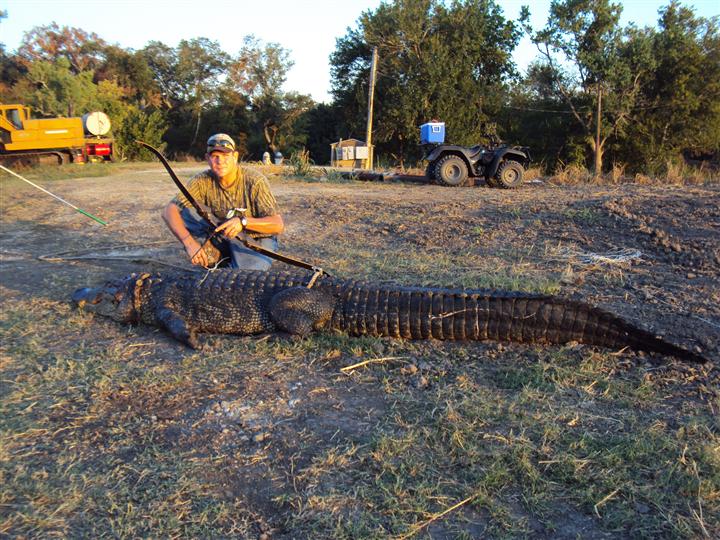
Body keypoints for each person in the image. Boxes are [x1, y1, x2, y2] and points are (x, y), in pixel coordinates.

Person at [162, 133, 284, 270]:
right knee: (185, 211)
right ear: (207, 159)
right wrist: (189, 243)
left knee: (245, 276)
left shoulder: (255, 181)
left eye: (226, 156)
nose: (220, 162)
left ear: (235, 157)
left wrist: (243, 222)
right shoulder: (201, 180)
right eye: (215, 157)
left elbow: (277, 225)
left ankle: (235, 261)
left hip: (256, 238)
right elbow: (169, 211)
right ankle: (215, 255)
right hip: (221, 234)